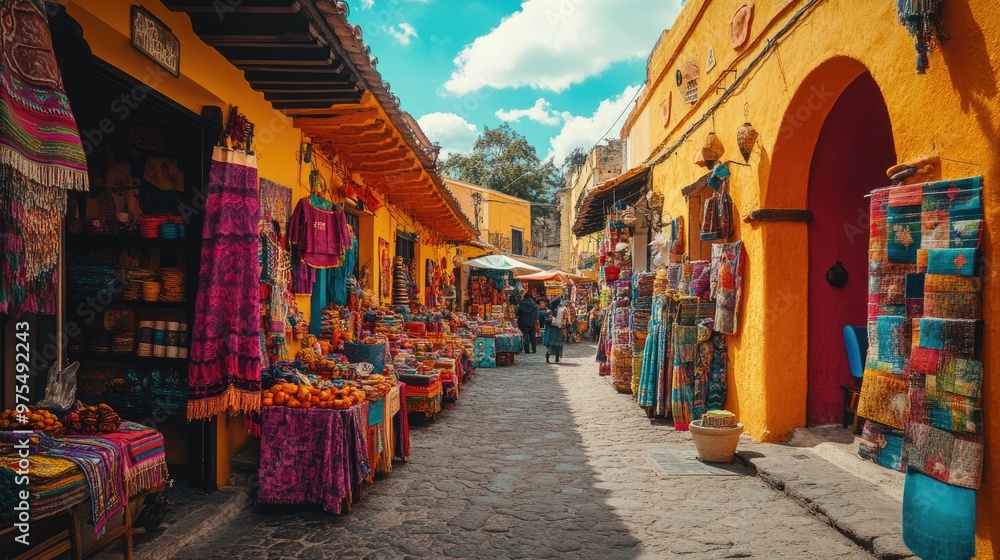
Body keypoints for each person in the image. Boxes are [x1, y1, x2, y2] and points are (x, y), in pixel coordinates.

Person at [543, 296, 567, 363]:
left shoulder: (550, 310)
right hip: (558, 329)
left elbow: (545, 320)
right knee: (558, 345)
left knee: (551, 344)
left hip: (551, 329)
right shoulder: (561, 310)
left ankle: (548, 356)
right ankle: (557, 359)